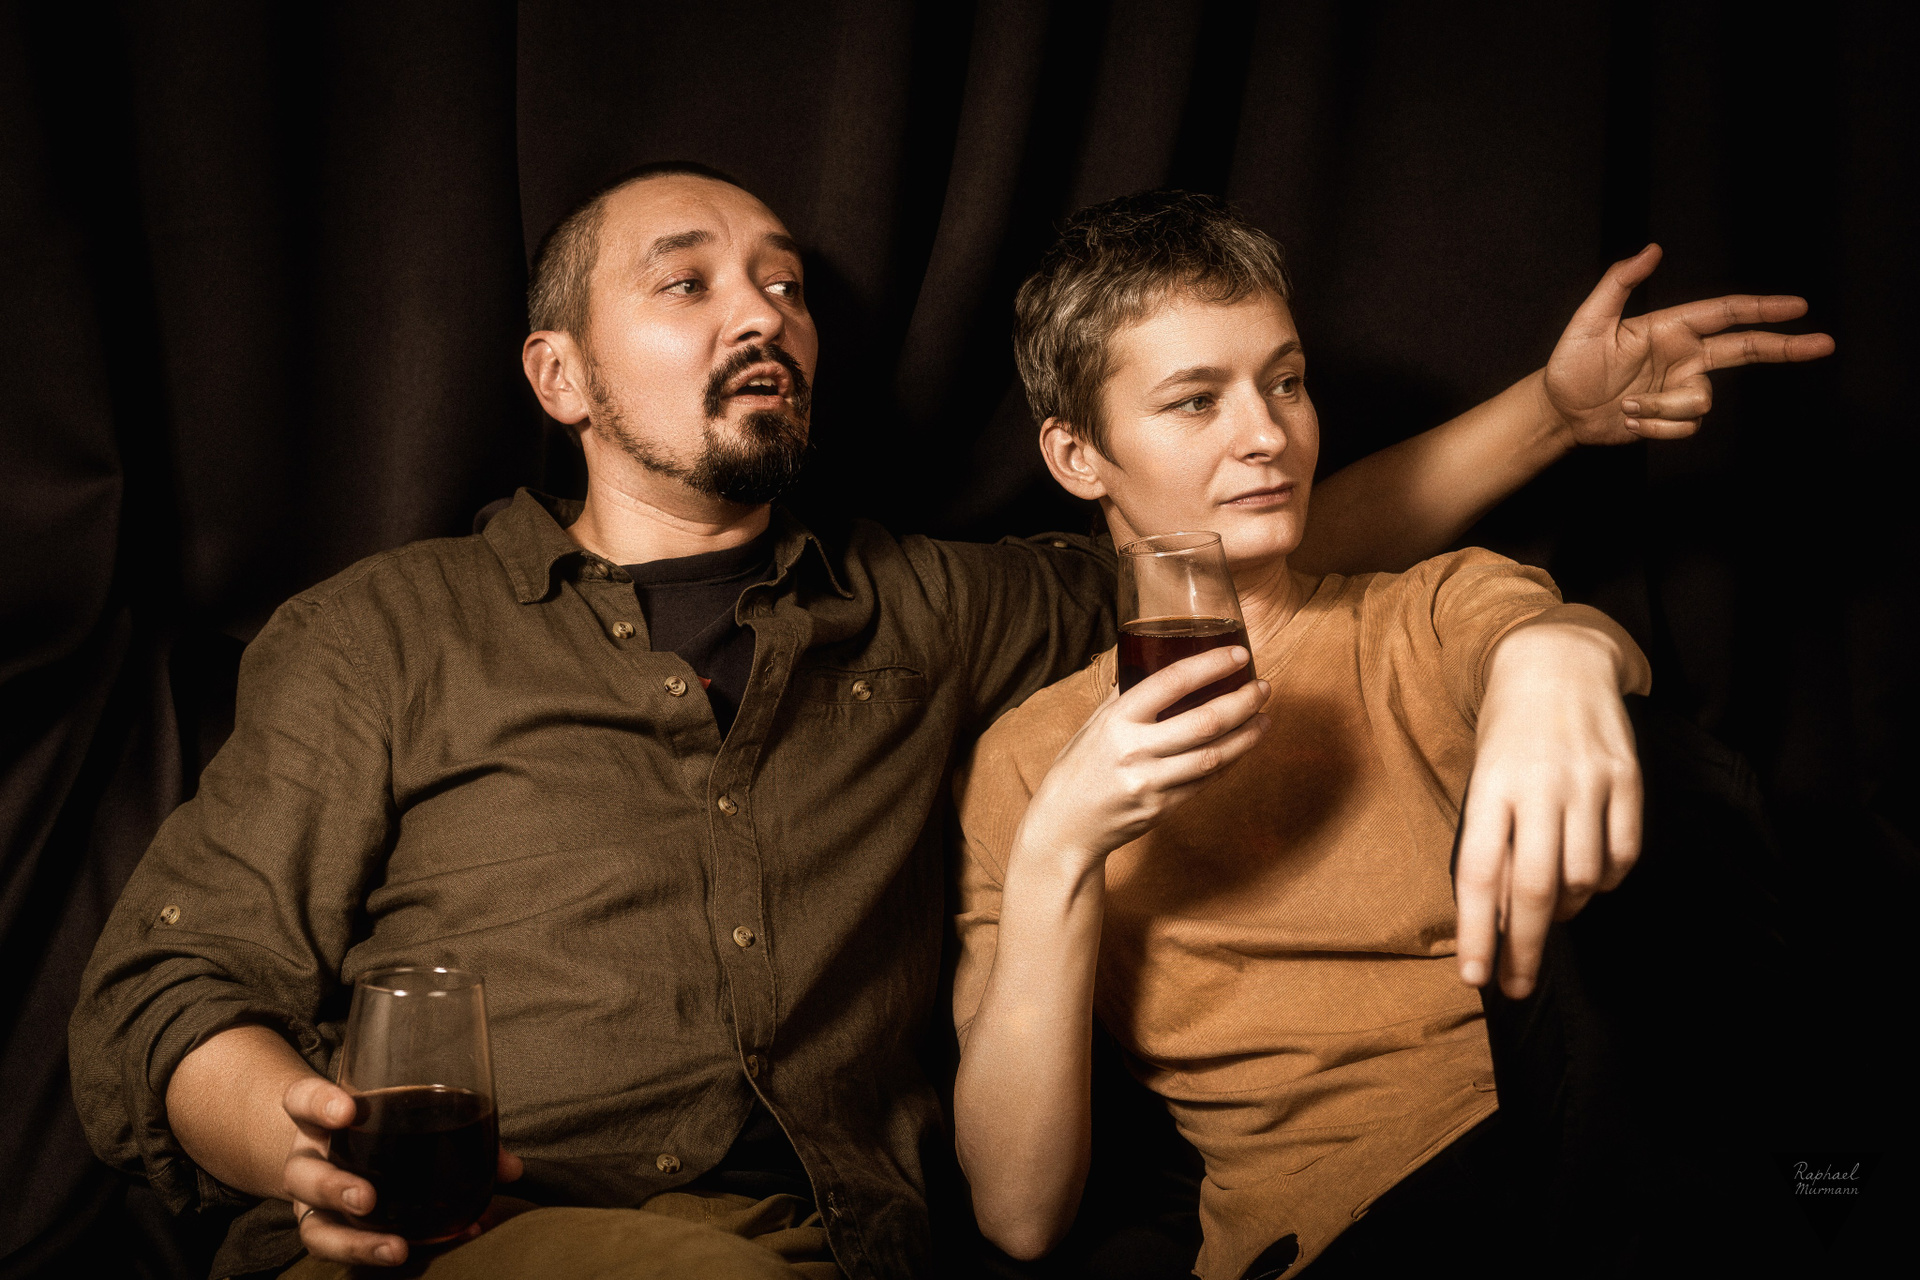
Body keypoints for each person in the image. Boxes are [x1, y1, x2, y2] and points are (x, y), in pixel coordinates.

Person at [67, 163, 1829, 1280]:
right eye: (687, 282)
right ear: (559, 376)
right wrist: (304, 1142)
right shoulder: (380, 634)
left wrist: (1553, 465)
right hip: (473, 1230)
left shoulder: (936, 611)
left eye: (782, 282)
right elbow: (166, 988)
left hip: (830, 1245)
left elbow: (1250, 538)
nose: (761, 311)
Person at [948, 191, 1833, 1279]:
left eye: (1285, 381)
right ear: (1078, 455)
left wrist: (1558, 657)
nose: (1267, 436)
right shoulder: (1029, 760)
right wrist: (1061, 846)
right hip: (1349, 1230)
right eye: (1196, 401)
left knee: (1667, 772)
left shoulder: (1423, 612)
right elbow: (1019, 1212)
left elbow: (1529, 635)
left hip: (1585, 1139)